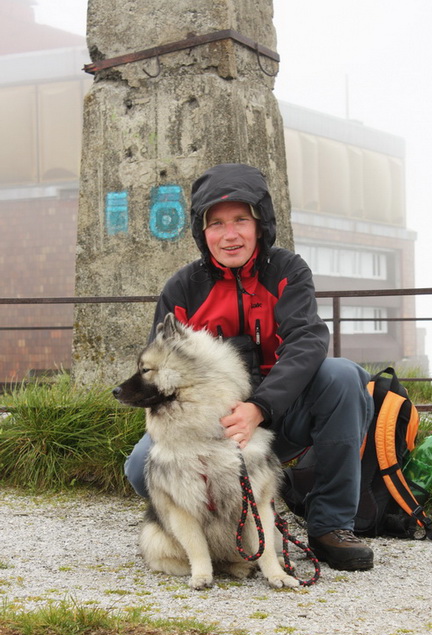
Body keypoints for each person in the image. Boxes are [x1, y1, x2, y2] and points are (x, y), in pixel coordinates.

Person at [125, 163, 375, 571]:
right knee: (140, 468)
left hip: (284, 411)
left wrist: (260, 406)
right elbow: (164, 374)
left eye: (241, 219)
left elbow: (308, 342)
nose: (229, 234)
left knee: (342, 375)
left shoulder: (288, 271)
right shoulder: (181, 289)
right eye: (216, 223)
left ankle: (331, 525)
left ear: (260, 224)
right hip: (214, 428)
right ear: (201, 232)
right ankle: (220, 528)